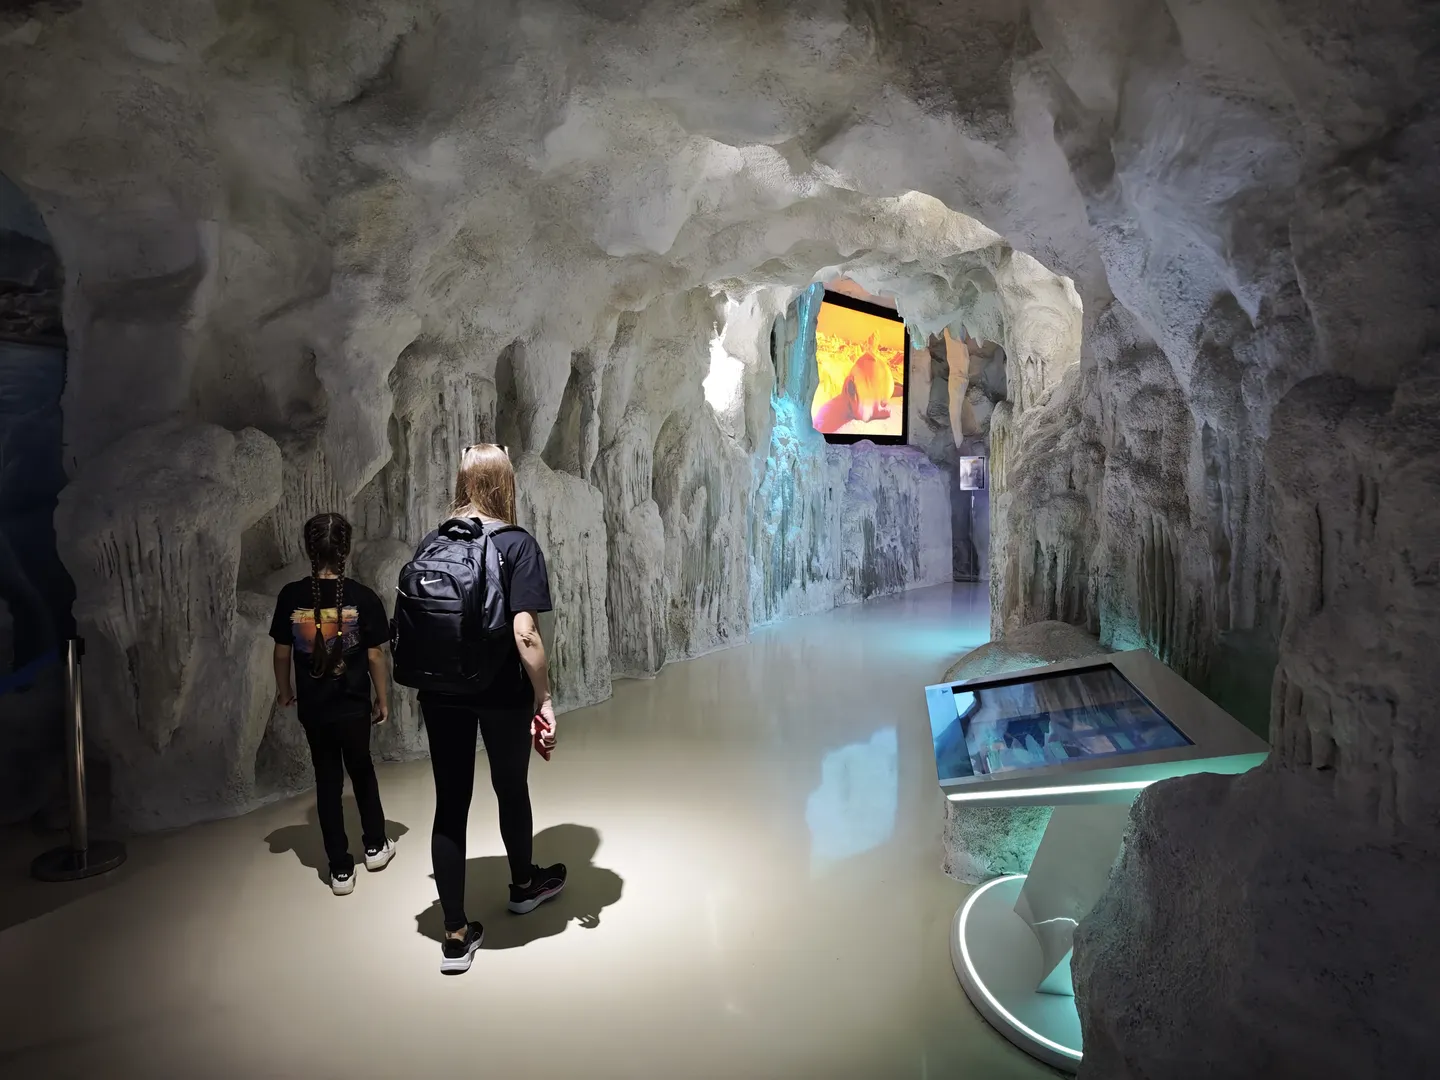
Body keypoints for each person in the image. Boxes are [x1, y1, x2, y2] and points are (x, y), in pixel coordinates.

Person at [418, 444, 564, 975]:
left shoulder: (434, 541)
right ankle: (524, 885)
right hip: (501, 691)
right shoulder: (516, 544)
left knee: (450, 803)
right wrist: (543, 696)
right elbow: (524, 632)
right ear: (506, 484)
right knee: (510, 786)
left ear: (461, 482)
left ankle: (455, 934)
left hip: (440, 693)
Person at [270, 512, 396, 895]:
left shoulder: (292, 596)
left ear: (308, 549)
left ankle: (340, 869)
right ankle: (375, 846)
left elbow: (280, 652)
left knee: (326, 781)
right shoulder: (363, 597)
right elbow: (375, 656)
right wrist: (382, 697)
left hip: (315, 709)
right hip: (353, 705)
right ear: (347, 549)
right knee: (362, 771)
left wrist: (284, 689)